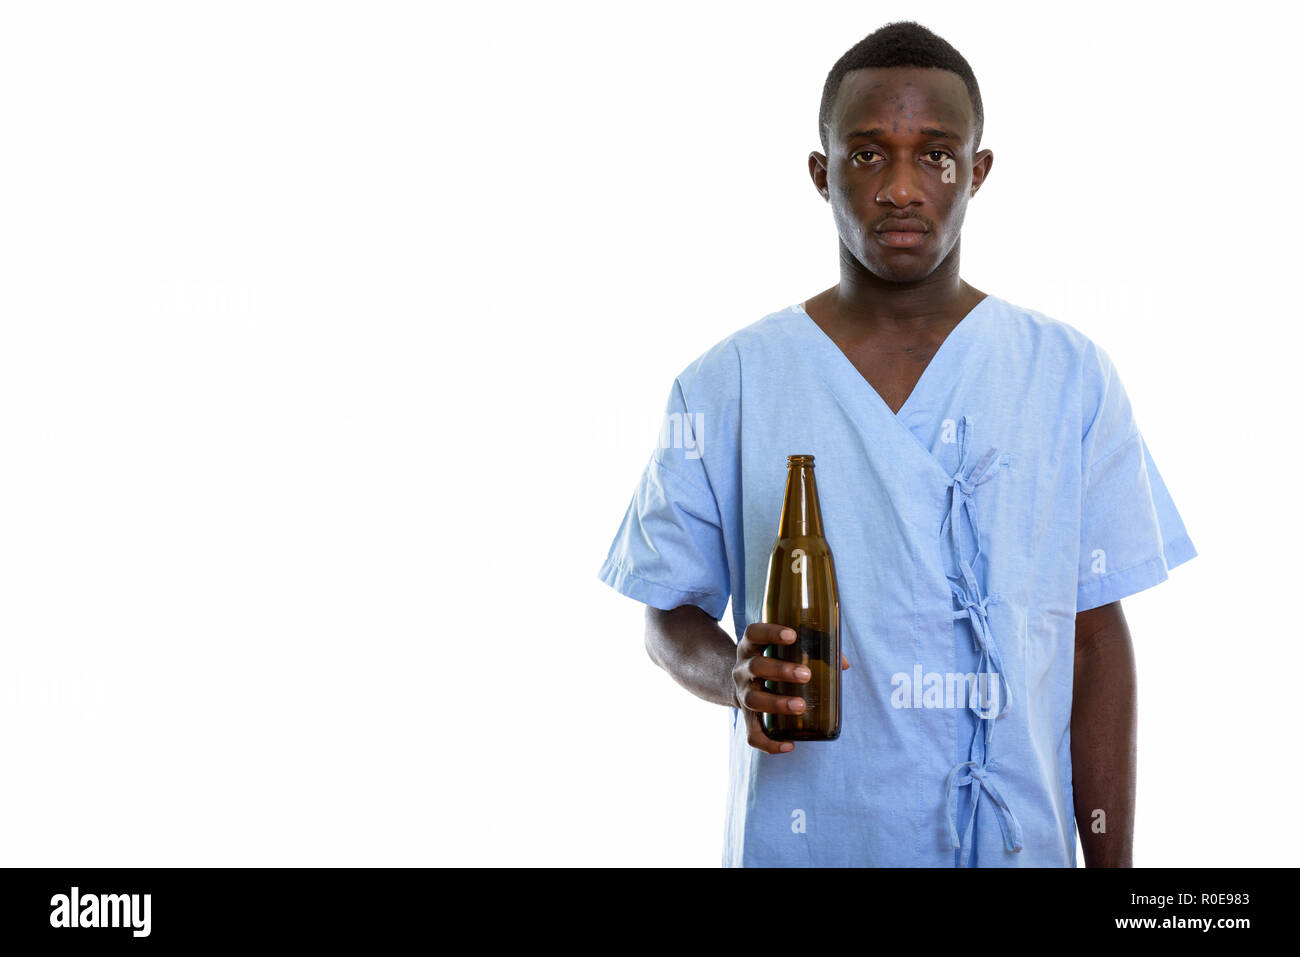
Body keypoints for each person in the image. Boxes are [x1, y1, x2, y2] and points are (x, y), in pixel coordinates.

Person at [596, 20, 1196, 867]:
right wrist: (732, 673)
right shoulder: (728, 383)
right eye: (869, 154)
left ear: (978, 172)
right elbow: (667, 614)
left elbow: (1096, 638)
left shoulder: (1067, 376)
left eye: (937, 155)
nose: (902, 188)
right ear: (822, 172)